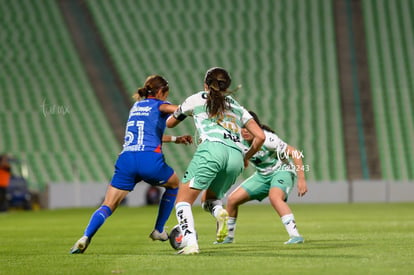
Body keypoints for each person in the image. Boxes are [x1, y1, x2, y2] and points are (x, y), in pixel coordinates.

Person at [70, 75, 193, 254]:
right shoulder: (160, 104)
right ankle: (158, 230)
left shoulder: (136, 107)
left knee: (108, 204)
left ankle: (85, 237)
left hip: (127, 158)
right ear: (160, 92)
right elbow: (178, 110)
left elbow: (149, 134)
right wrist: (195, 108)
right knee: (174, 185)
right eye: (166, 93)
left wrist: (176, 139)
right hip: (149, 159)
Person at [166, 67, 265, 254]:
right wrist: (246, 157)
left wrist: (179, 112)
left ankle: (190, 243)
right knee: (209, 200)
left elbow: (169, 123)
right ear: (227, 87)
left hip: (212, 148)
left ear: (206, 84)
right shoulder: (237, 106)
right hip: (236, 154)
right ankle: (220, 213)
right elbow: (259, 136)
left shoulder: (196, 99)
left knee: (182, 200)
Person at [217, 111, 308, 245]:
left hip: (281, 171)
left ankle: (295, 236)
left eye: (248, 127)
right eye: (242, 127)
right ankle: (228, 237)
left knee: (275, 197)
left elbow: (295, 153)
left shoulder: (268, 139)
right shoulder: (238, 141)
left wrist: (301, 180)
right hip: (262, 175)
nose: (245, 130)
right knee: (232, 200)